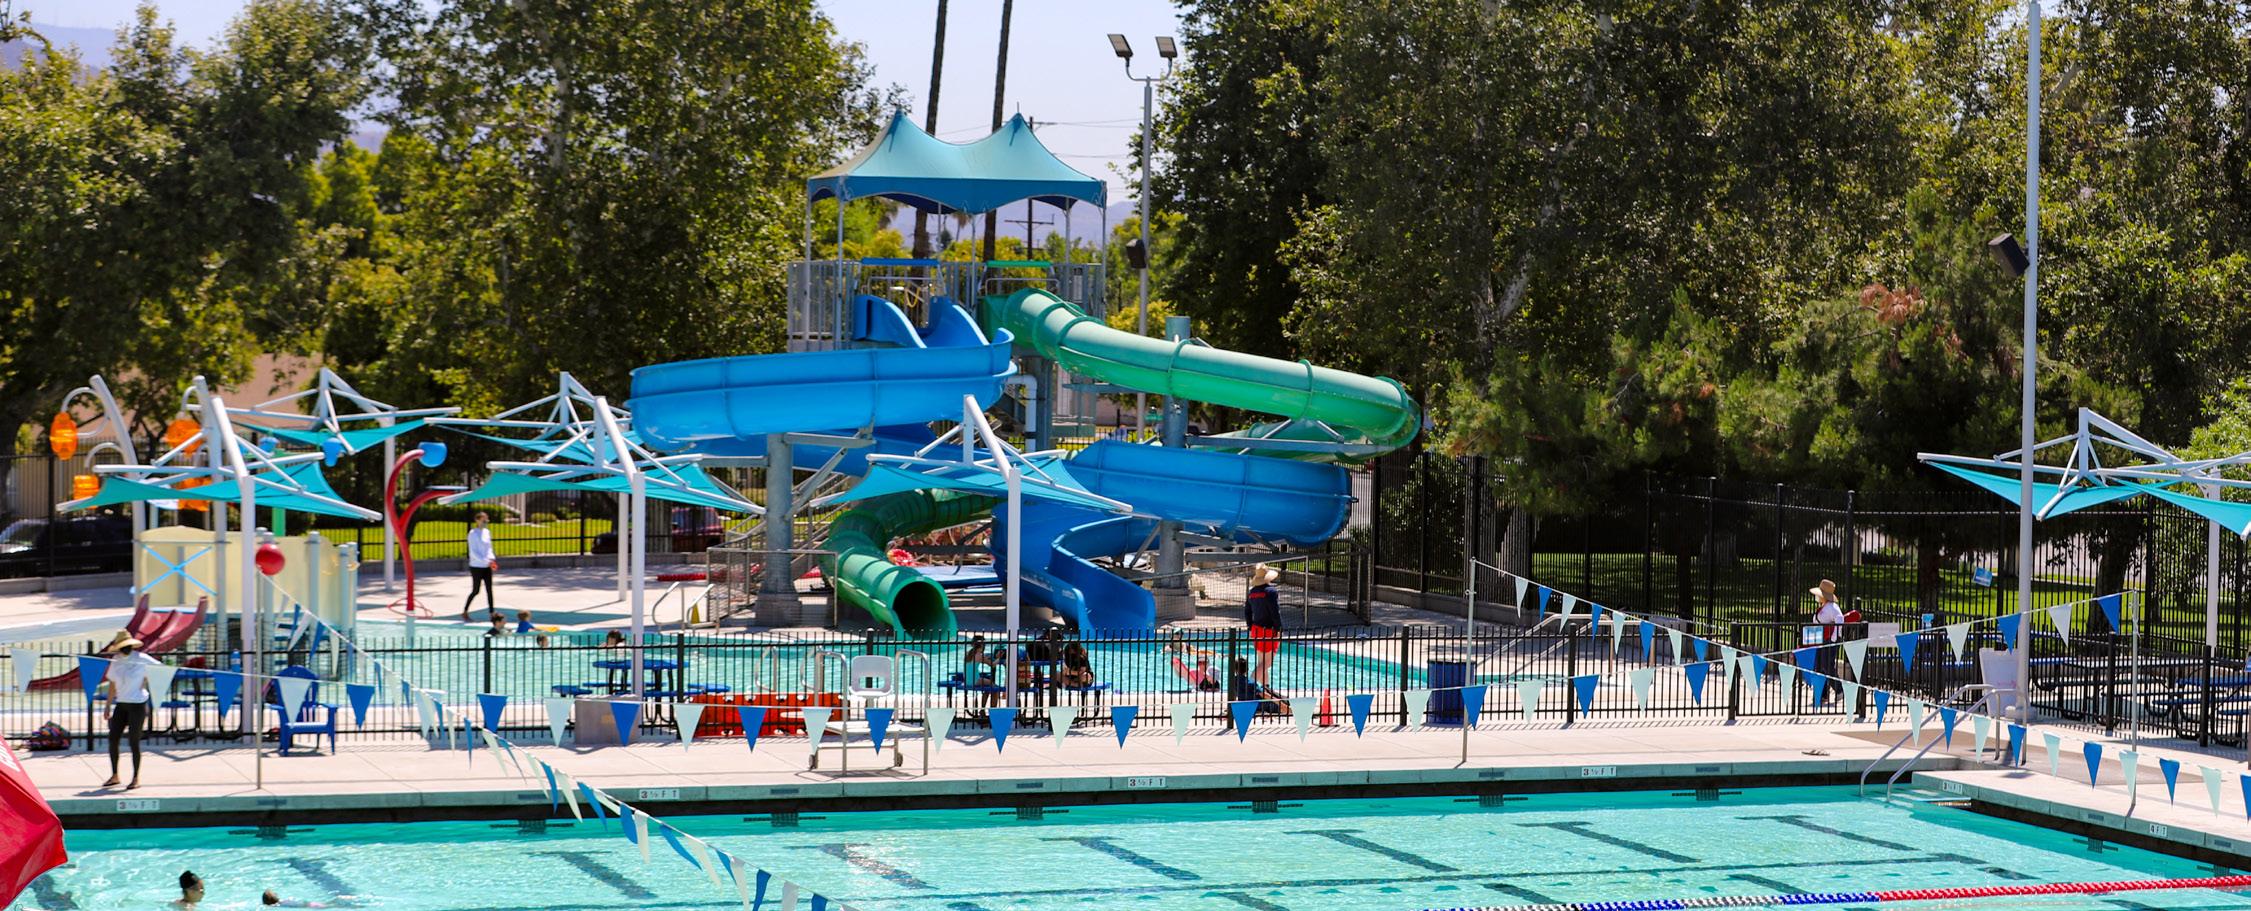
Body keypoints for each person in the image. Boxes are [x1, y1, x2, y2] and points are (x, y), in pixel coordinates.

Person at [100, 637, 162, 789]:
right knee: (113, 739)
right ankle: (115, 775)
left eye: (128, 646)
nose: (125, 649)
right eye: (123, 647)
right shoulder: (116, 660)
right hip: (121, 704)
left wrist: (145, 680)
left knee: (134, 742)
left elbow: (160, 668)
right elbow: (112, 684)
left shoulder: (142, 658)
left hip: (138, 705)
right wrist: (108, 705)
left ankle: (135, 778)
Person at [1245, 564, 1283, 685]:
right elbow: (1275, 612)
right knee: (1267, 663)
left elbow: (1247, 612)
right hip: (1268, 630)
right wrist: (1279, 628)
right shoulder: (1271, 592)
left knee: (1261, 662)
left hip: (1256, 629)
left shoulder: (1252, 593)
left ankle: (1265, 689)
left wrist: (1251, 627)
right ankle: (1250, 684)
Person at [1811, 579, 1845, 703]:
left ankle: (1839, 690)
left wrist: (1834, 638)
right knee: (1819, 666)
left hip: (1830, 640)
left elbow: (1840, 620)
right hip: (1821, 639)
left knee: (1827, 665)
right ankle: (1822, 694)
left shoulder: (1832, 607)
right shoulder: (1823, 606)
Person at [460, 511, 498, 621]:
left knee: (489, 589)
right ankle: (465, 611)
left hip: (487, 566)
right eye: (483, 520)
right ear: (477, 520)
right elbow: (473, 552)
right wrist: (485, 561)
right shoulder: (472, 534)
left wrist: (491, 559)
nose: (485, 522)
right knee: (476, 590)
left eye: (487, 520)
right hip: (476, 566)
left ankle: (492, 613)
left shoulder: (487, 532)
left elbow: (489, 548)